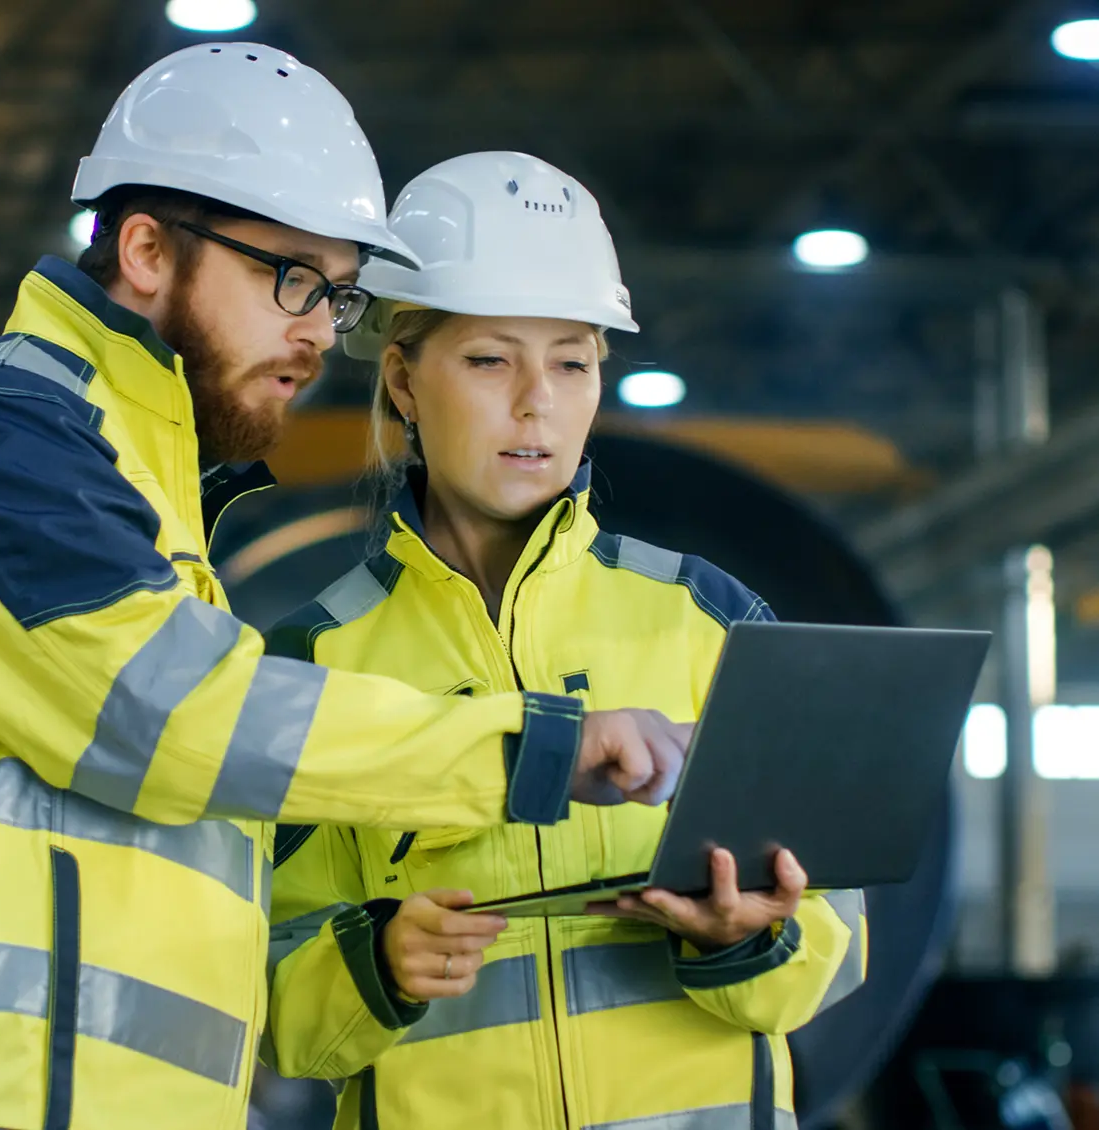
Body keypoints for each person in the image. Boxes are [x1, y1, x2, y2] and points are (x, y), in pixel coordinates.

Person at [0, 48, 692, 1130]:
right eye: (288, 277)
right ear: (146, 249)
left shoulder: (154, 501)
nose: (314, 330)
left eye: (335, 295)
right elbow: (167, 713)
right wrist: (532, 746)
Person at [263, 152, 869, 1130]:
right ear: (403, 381)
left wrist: (740, 936)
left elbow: (826, 947)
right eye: (489, 358)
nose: (535, 399)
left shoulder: (709, 617)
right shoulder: (315, 659)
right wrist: (371, 963)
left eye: (572, 360)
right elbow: (270, 997)